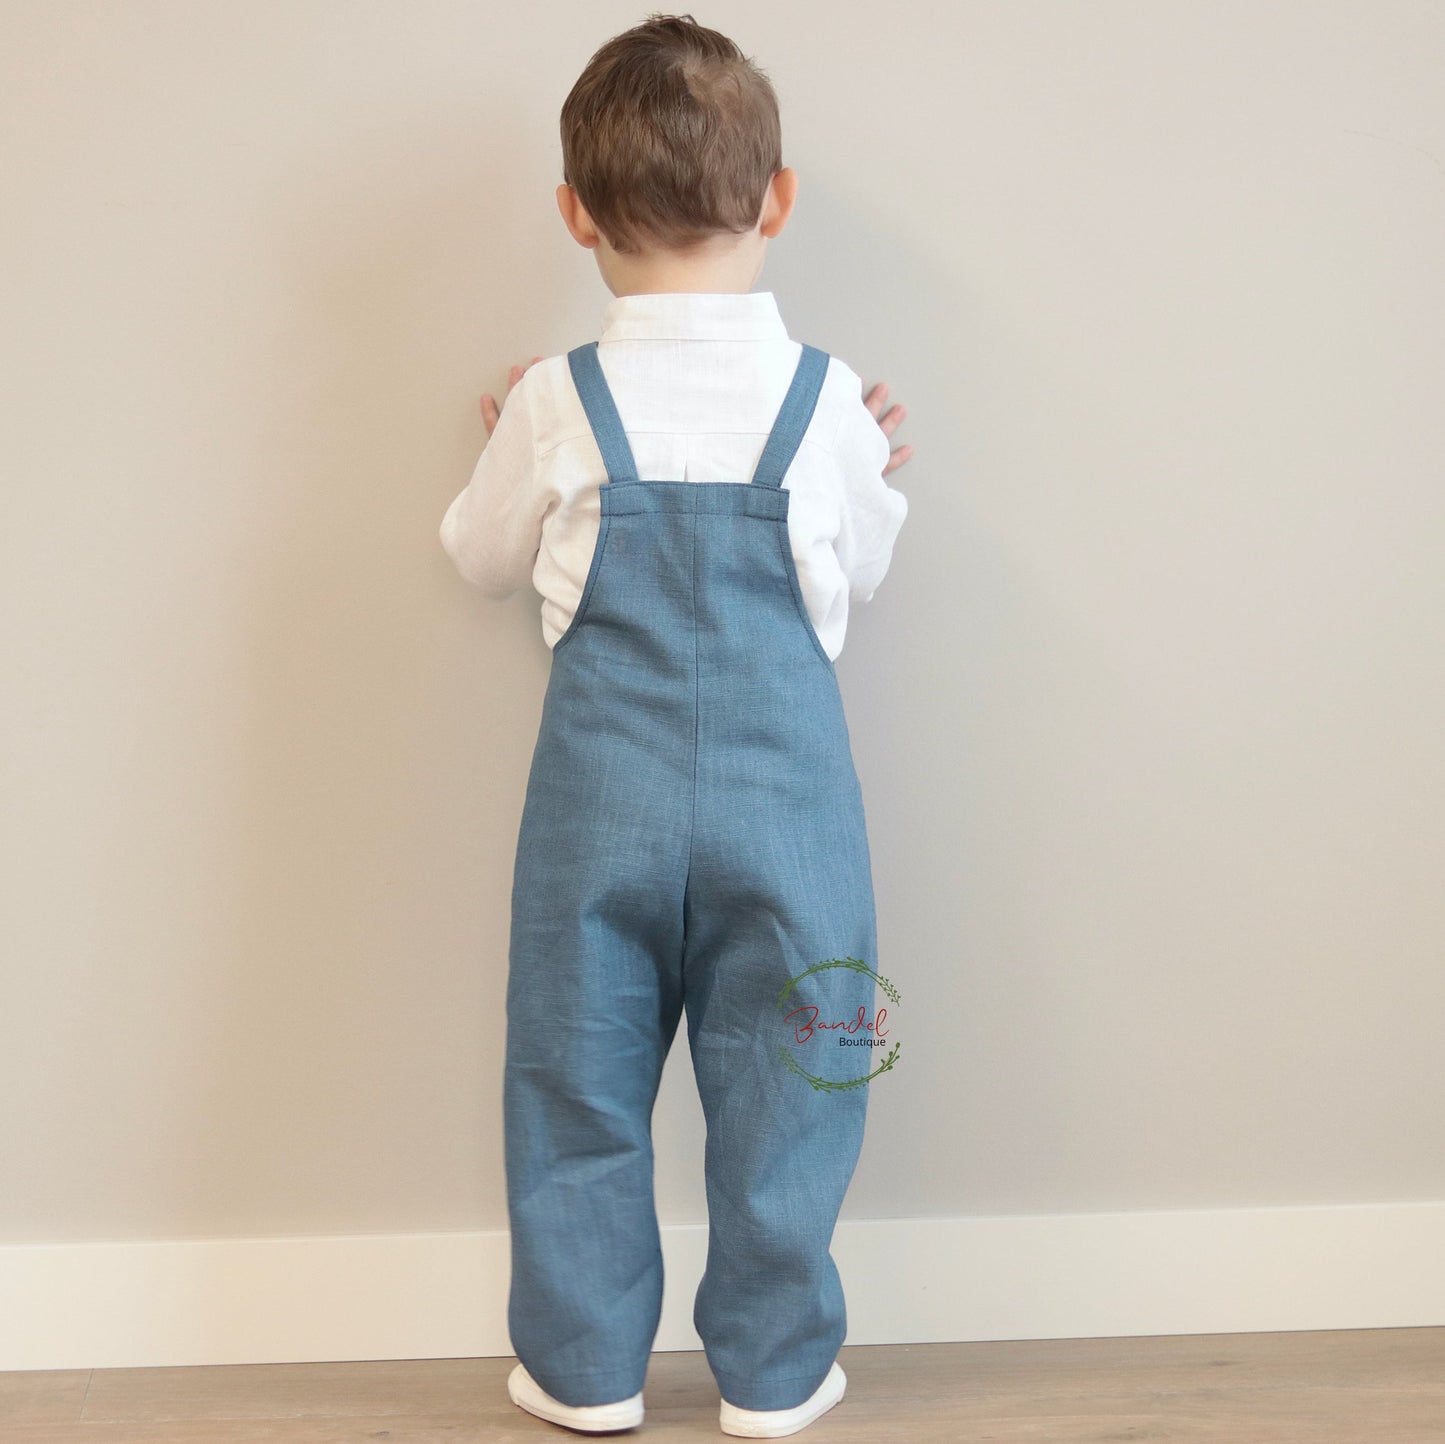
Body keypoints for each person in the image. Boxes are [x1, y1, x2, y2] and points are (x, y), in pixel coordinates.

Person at [439, 13, 911, 1437]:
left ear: (575, 214)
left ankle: (583, 1370)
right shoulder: (827, 399)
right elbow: (860, 579)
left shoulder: (550, 403)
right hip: (792, 812)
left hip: (601, 810)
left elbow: (477, 554)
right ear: (775, 199)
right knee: (801, 1074)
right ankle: (774, 1373)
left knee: (571, 1070)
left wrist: (504, 450)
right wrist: (865, 464)